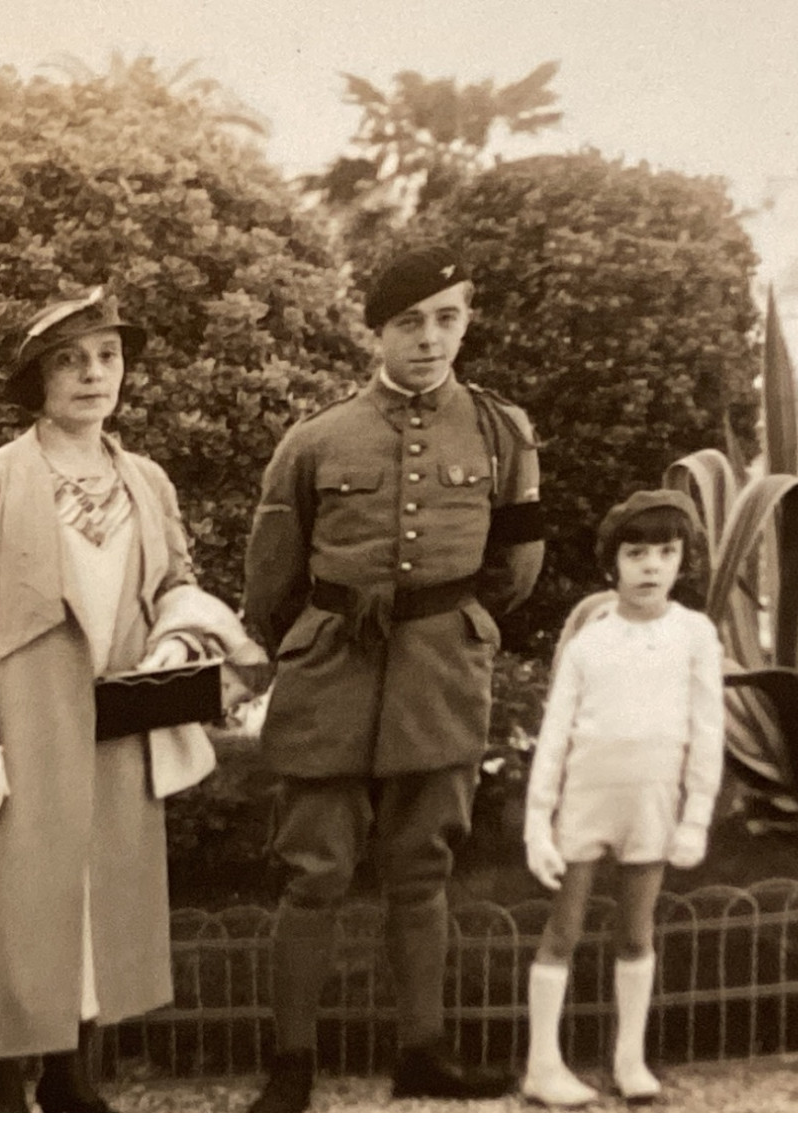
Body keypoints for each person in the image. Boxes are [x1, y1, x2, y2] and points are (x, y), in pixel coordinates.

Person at [0, 287, 264, 1112]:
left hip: (119, 724)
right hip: (18, 727)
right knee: (7, 906)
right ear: (37, 380)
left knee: (96, 902)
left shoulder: (146, 481)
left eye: (107, 357)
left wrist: (183, 638)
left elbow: (175, 584)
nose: (93, 374)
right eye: (69, 360)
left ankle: (72, 1078)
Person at [242, 245, 546, 1111]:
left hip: (439, 672)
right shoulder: (317, 438)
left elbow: (517, 564)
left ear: (466, 320)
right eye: (409, 322)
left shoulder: (501, 432)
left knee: (422, 867)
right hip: (332, 673)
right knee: (315, 872)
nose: (429, 338)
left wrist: (452, 622)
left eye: (447, 317)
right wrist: (313, 636)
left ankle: (422, 1051)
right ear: (376, 330)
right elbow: (272, 577)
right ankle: (291, 1065)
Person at [520, 489, 725, 1106]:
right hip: (586, 800)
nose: (652, 566)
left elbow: (709, 728)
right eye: (637, 553)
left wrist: (695, 818)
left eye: (666, 552)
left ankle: (629, 1059)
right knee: (565, 927)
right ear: (613, 564)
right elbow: (554, 735)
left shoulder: (695, 634)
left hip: (653, 804)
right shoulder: (589, 642)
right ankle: (542, 1065)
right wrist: (537, 824)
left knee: (636, 931)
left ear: (682, 561)